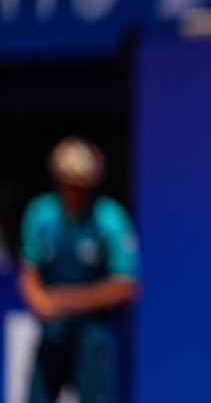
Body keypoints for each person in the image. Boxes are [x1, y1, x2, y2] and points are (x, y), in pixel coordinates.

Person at [18, 136, 139, 403]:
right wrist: (40, 300)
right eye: (69, 183)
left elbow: (126, 284)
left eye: (81, 185)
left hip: (91, 332)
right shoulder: (41, 214)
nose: (74, 192)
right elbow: (29, 272)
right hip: (52, 332)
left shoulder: (109, 218)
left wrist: (69, 300)